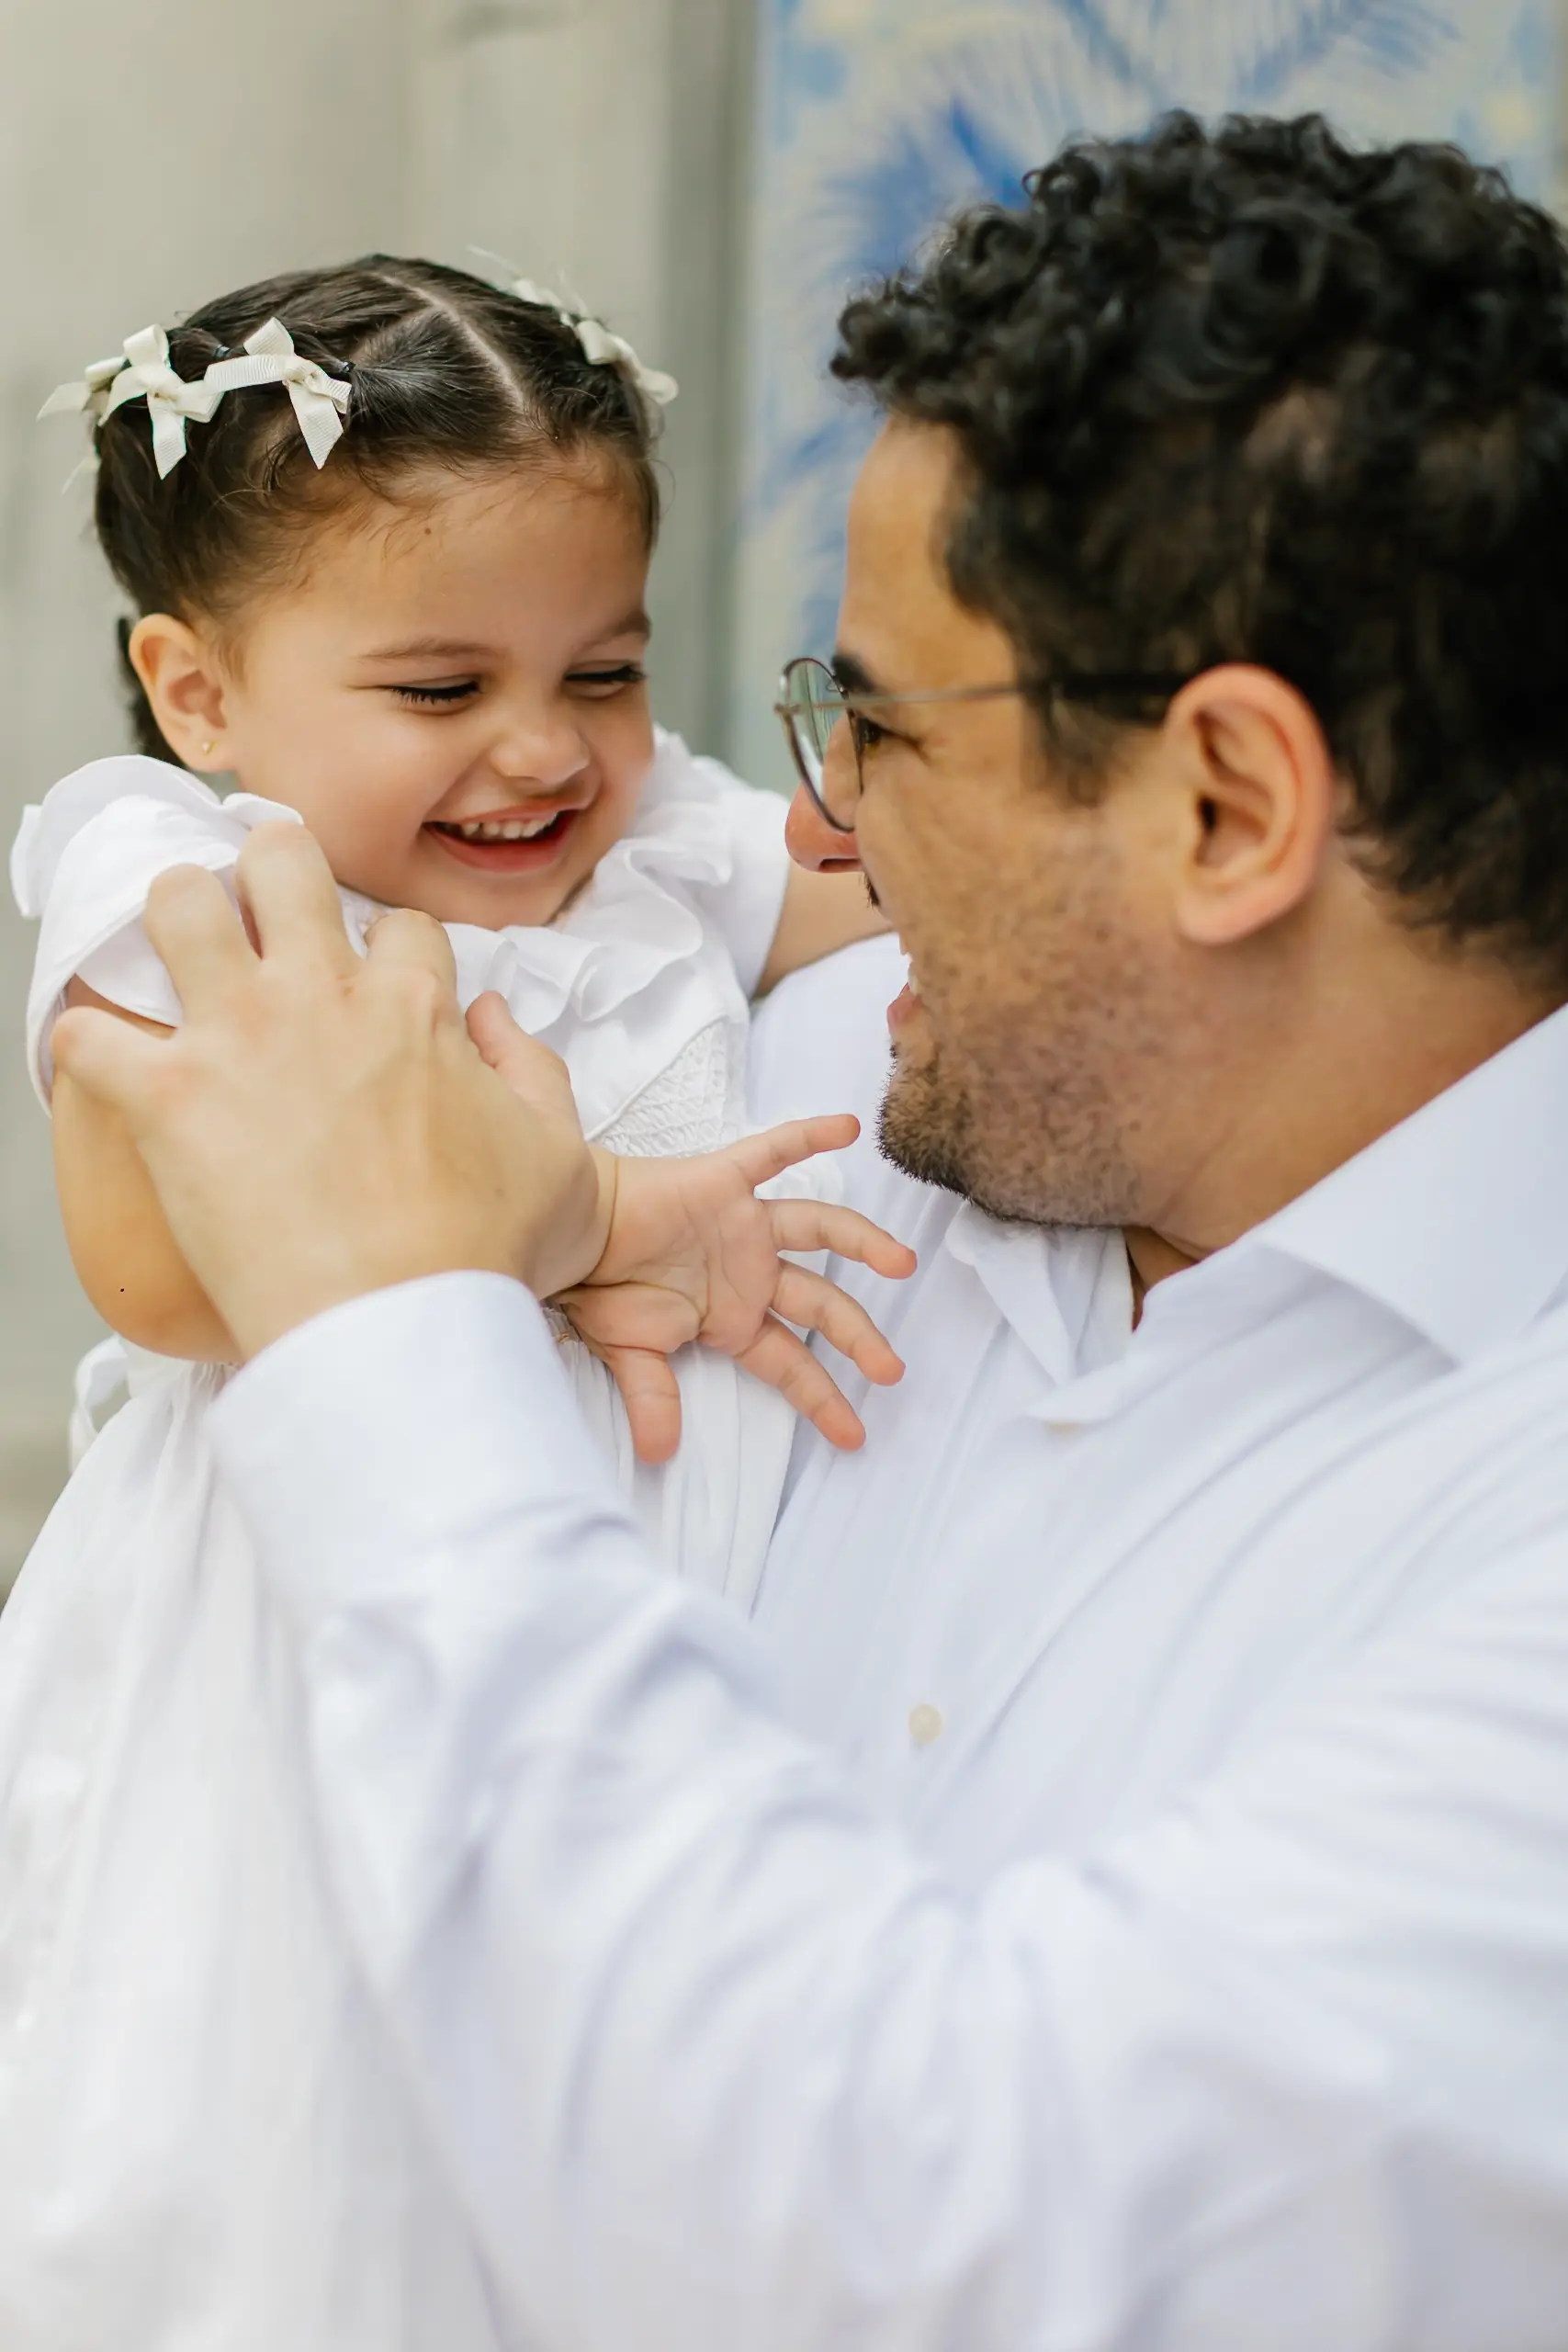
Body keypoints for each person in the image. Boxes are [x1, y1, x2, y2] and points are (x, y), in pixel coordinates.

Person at [21, 108, 1568, 2346]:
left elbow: (929, 2231)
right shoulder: (851, 1076)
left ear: (1228, 807)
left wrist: (398, 1330)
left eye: (884, 727)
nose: (815, 822)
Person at [0, 257, 912, 2345]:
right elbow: (163, 1266)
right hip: (292, 1619)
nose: (542, 749)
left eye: (604, 667)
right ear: (198, 690)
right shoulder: (187, 883)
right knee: (306, 2138)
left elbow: (904, 892)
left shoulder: (659, 842)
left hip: (650, 1589)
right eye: (438, 690)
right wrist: (584, 1221)